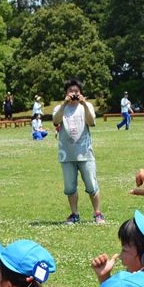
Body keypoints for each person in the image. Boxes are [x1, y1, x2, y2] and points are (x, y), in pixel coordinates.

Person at [53, 77, 103, 225]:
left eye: (76, 91)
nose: (73, 94)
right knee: (69, 187)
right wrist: (64, 104)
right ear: (66, 93)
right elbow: (55, 121)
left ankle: (98, 213)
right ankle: (74, 214)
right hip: (66, 154)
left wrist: (85, 104)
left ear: (81, 93)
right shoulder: (60, 108)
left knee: (92, 185)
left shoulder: (86, 106)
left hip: (85, 152)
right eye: (70, 91)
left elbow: (91, 122)